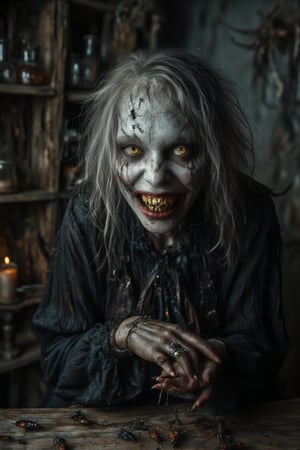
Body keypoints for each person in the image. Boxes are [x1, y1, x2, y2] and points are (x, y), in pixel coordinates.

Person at [33, 48, 288, 410]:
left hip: (211, 421)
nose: (154, 177)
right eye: (132, 150)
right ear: (111, 150)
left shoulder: (249, 212)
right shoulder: (89, 212)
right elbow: (57, 362)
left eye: (182, 150)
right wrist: (122, 335)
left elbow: (263, 347)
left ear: (211, 149)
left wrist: (219, 359)